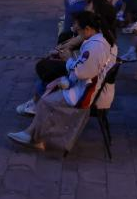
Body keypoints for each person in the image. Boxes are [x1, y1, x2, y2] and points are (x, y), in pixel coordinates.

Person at [8, 11, 117, 151]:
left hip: (85, 93)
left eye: (78, 30)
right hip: (85, 86)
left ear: (88, 29)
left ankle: (35, 137)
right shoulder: (98, 40)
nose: (77, 33)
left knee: (46, 100)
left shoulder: (95, 46)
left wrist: (68, 60)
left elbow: (83, 72)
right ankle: (33, 134)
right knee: (48, 90)